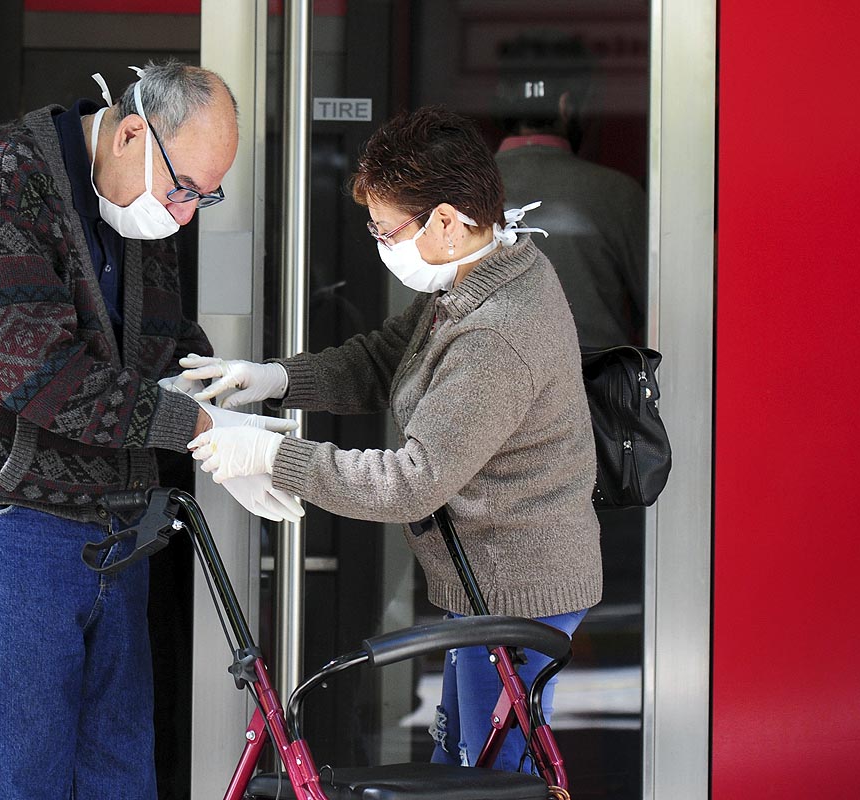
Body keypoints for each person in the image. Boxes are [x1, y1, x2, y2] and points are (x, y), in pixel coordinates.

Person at [0, 60, 299, 800]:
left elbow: (156, 347)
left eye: (205, 196)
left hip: (113, 518)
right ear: (132, 133)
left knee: (119, 772)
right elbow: (40, 377)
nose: (184, 214)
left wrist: (225, 392)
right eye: (183, 191)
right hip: (1, 513)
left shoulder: (134, 197)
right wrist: (200, 424)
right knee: (23, 776)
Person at [182, 106, 602, 773]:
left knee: (488, 777)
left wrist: (272, 455)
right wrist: (270, 379)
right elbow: (384, 359)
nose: (378, 242)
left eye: (385, 229)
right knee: (467, 765)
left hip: (517, 591)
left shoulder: (496, 331)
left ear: (445, 218)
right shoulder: (479, 276)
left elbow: (411, 482)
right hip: (486, 585)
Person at [493, 32, 647, 347]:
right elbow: (663, 307)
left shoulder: (456, 192)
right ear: (567, 105)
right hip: (593, 392)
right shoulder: (618, 193)